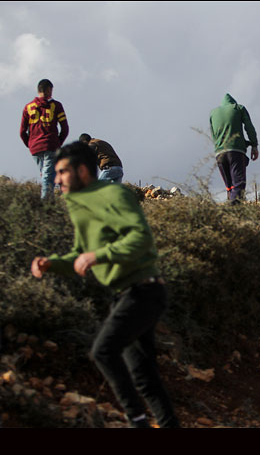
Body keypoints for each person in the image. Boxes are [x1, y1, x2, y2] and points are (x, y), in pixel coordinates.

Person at [30, 142, 180, 428]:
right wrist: (51, 263)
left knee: (103, 351)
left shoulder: (114, 194)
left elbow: (141, 238)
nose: (57, 178)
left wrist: (98, 256)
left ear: (83, 171)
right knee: (144, 376)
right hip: (126, 294)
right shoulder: (78, 205)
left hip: (144, 291)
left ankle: (137, 422)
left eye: (63, 172)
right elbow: (79, 254)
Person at [20, 79, 69, 199]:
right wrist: (58, 143)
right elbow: (65, 128)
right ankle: (46, 202)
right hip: (50, 145)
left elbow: (22, 132)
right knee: (48, 175)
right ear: (48, 90)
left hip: (35, 148)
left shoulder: (28, 107)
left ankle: (56, 197)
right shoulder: (56, 105)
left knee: (48, 173)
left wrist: (30, 144)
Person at [209, 93, 258, 204]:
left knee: (230, 187)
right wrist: (254, 145)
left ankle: (227, 214)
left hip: (219, 153)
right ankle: (233, 213)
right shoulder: (239, 108)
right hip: (235, 151)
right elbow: (249, 128)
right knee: (239, 185)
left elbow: (214, 136)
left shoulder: (213, 113)